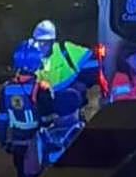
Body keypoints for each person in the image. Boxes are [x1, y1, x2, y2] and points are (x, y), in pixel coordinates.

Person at [31, 20, 99, 162]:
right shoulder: (32, 56)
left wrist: (82, 83)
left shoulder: (65, 50)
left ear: (52, 41)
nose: (40, 46)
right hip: (49, 111)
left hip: (71, 104)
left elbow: (92, 62)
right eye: (38, 42)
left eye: (44, 42)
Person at [0, 41, 56, 177]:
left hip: (16, 141)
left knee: (21, 174)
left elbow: (1, 117)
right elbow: (48, 120)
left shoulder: (6, 89)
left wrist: (2, 139)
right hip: (37, 142)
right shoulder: (42, 88)